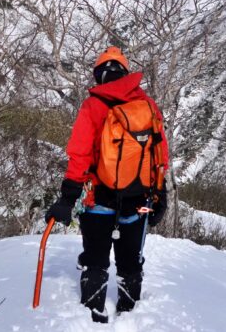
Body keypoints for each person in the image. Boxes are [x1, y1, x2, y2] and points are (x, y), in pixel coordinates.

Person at [46, 46, 169, 324]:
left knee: (95, 260)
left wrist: (67, 198)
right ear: (125, 74)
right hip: (139, 200)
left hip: (98, 199)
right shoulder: (148, 106)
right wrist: (160, 195)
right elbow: (161, 155)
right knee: (131, 261)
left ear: (99, 75)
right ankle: (131, 315)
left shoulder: (93, 106)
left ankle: (93, 317)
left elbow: (79, 155)